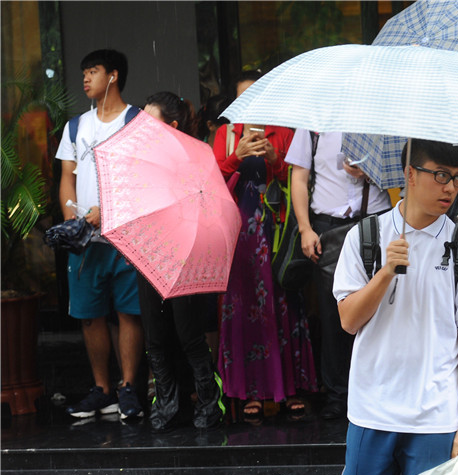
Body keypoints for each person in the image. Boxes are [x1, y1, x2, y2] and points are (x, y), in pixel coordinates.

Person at [334, 139, 458, 475]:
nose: (450, 188)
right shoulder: (367, 236)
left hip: (434, 410)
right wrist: (385, 272)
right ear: (409, 174)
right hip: (374, 403)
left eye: (457, 178)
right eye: (440, 176)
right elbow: (349, 321)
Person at [213, 72, 316, 422]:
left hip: (277, 230)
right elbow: (208, 181)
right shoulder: (226, 134)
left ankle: (289, 390)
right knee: (243, 309)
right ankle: (249, 393)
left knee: (282, 305)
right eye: (246, 98)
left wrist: (274, 159)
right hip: (238, 232)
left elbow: (298, 180)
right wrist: (234, 157)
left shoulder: (285, 131)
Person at [56, 49, 145, 420]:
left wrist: (106, 213)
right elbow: (67, 178)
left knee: (128, 312)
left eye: (92, 71)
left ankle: (128, 387)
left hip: (126, 235)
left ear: (113, 76)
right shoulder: (76, 126)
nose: (85, 79)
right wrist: (72, 219)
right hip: (85, 240)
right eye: (83, 73)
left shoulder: (135, 121)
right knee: (90, 315)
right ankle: (102, 390)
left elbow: (143, 179)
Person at [286, 130, 391, 420]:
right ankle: (337, 396)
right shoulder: (312, 125)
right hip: (328, 226)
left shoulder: (379, 116)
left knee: (377, 311)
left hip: (375, 220)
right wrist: (306, 228)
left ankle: (374, 392)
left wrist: (370, 171)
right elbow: (299, 176)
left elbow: (401, 171)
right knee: (333, 314)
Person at [136, 91, 224, 431]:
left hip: (182, 254)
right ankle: (168, 403)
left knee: (189, 334)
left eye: (150, 118)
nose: (142, 125)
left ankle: (207, 401)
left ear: (171, 125)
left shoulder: (194, 158)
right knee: (154, 335)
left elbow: (205, 209)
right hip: (147, 253)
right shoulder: (139, 159)